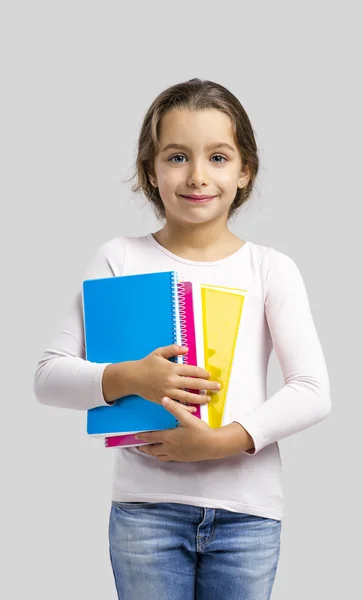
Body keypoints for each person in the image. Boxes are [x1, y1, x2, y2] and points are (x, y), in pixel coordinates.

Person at [33, 78, 331, 600]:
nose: (197, 176)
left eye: (218, 157)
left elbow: (312, 390)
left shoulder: (270, 269)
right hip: (145, 513)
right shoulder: (118, 259)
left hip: (248, 517)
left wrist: (222, 441)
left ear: (245, 172)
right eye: (176, 157)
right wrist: (133, 377)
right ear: (151, 171)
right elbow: (48, 378)